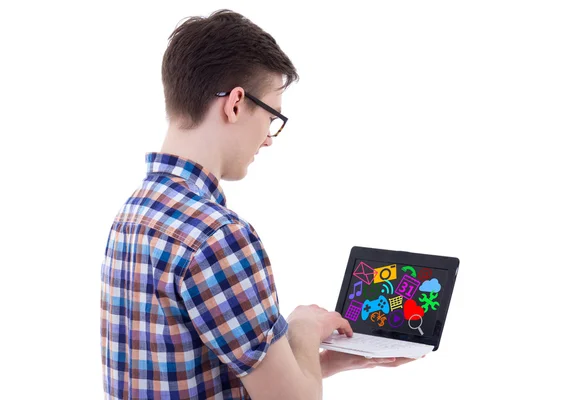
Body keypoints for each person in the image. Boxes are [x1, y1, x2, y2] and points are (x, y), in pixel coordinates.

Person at [100, 9, 417, 400]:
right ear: (235, 104)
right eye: (272, 117)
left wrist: (323, 363)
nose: (268, 138)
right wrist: (302, 326)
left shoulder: (134, 214)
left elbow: (196, 368)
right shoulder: (218, 236)